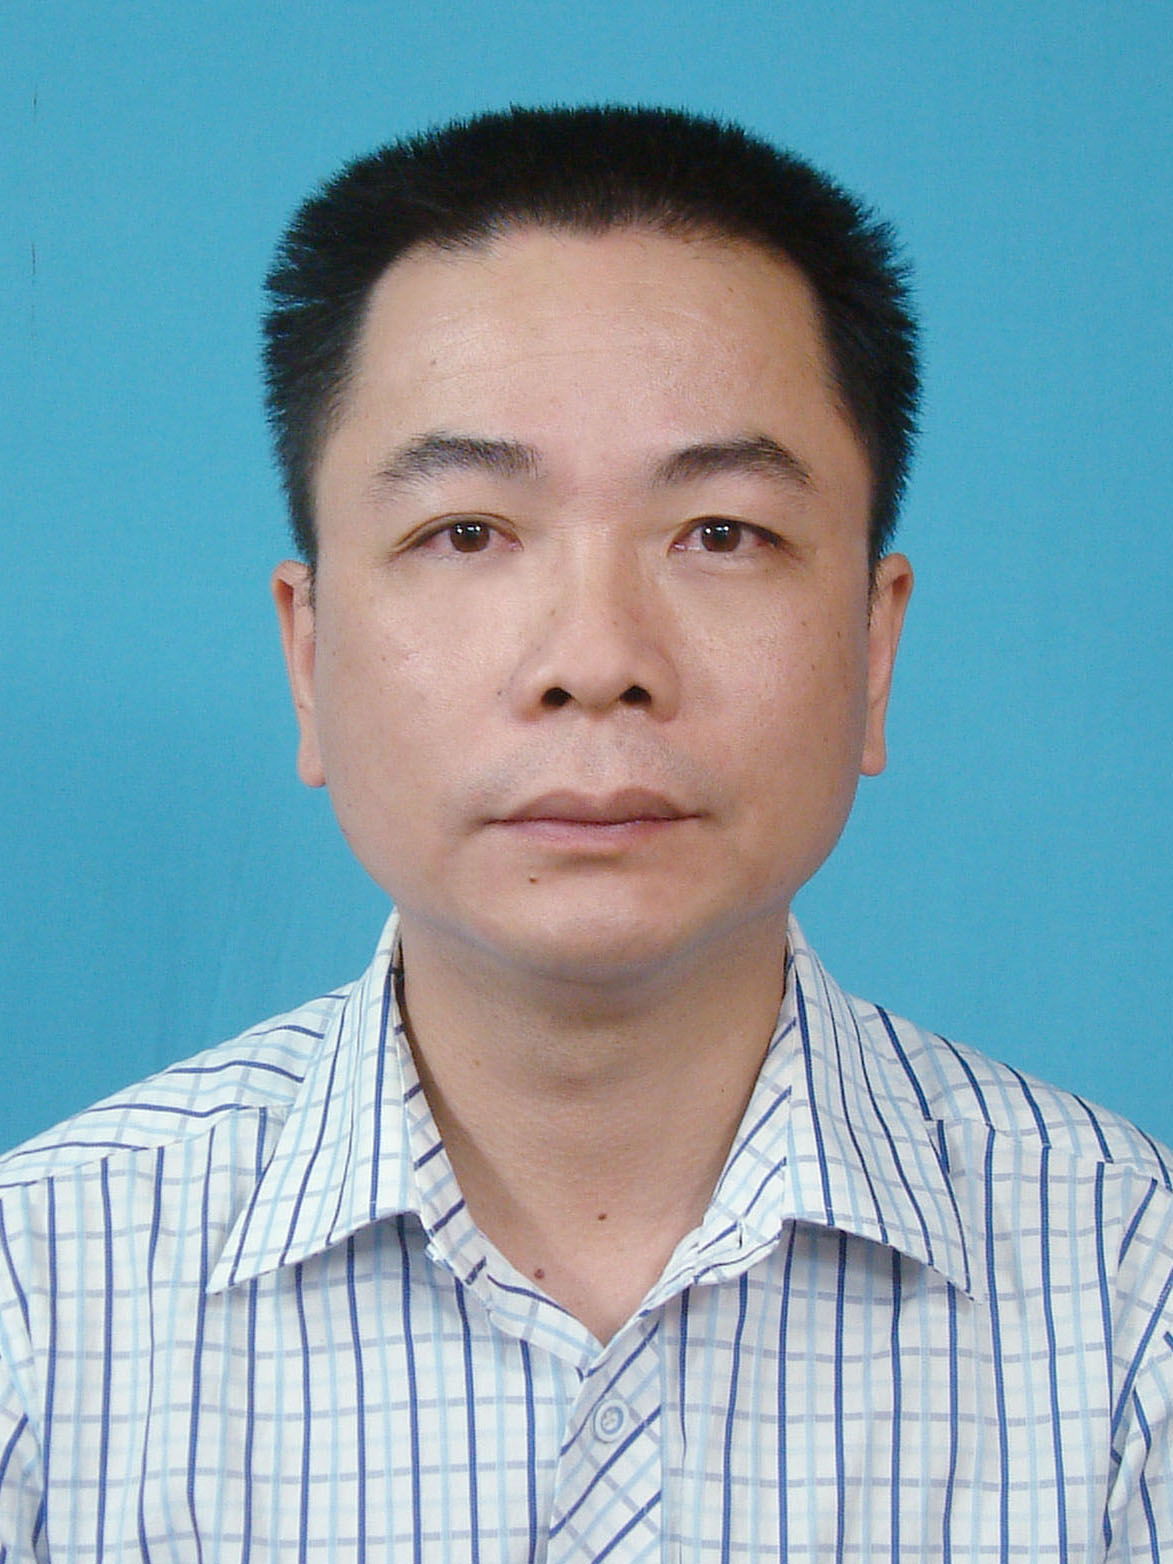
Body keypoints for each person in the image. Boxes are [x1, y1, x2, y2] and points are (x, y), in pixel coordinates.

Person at [0, 103, 1169, 1561]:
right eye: (468, 533)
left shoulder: (1129, 1294)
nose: (597, 658)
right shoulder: (41, 1304)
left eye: (721, 533)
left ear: (874, 651)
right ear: (309, 656)